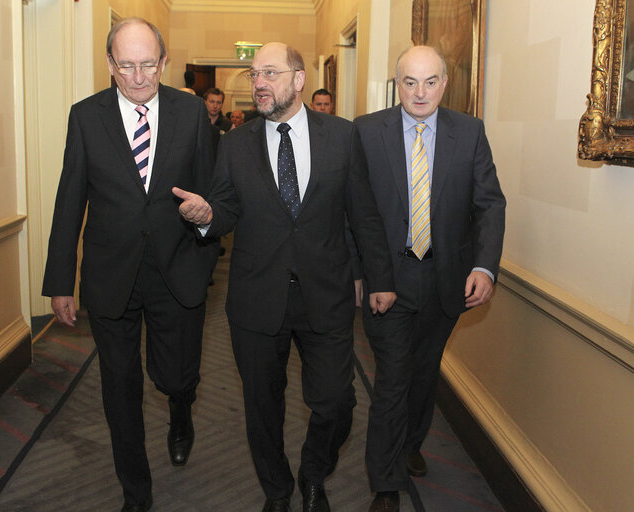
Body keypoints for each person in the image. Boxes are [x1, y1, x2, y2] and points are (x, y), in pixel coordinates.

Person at [173, 42, 396, 512]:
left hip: (326, 295)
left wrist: (379, 278)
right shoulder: (235, 143)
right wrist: (205, 216)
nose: (258, 82)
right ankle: (277, 491)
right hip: (257, 298)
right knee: (262, 409)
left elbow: (365, 214)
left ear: (298, 80)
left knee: (336, 403)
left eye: (270, 73)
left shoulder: (341, 136)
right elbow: (226, 207)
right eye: (255, 74)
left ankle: (314, 474)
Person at [41, 18, 219, 512]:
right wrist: (60, 282)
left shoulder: (191, 114)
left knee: (177, 376)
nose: (138, 77)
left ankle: (181, 410)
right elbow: (69, 200)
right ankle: (135, 495)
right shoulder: (85, 116)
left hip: (177, 271)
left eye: (148, 65)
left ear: (163, 62)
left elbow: (213, 195)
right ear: (110, 65)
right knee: (119, 389)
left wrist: (207, 225)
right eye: (127, 66)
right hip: (109, 275)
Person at [353, 45, 505, 512]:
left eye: (430, 81)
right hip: (387, 279)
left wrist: (483, 266)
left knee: (423, 372)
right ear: (396, 84)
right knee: (394, 378)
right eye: (410, 82)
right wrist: (365, 276)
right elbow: (355, 211)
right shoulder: (365, 131)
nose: (420, 93)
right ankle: (385, 481)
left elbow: (489, 204)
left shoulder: (470, 132)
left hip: (445, 280)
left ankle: (412, 442)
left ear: (445, 82)